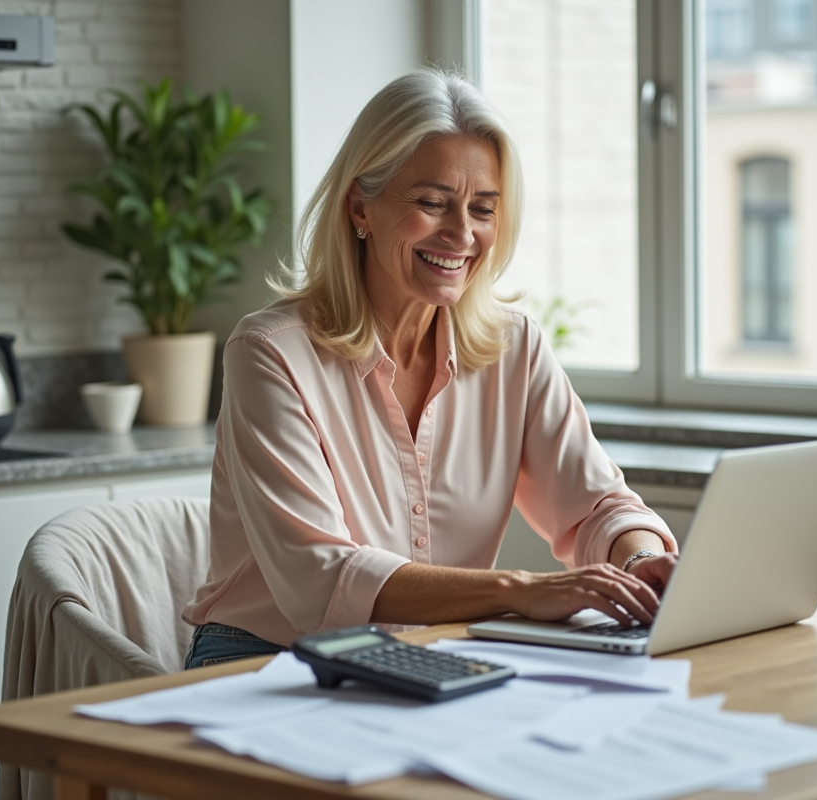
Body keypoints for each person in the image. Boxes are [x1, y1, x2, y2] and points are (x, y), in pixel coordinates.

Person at [183, 70, 678, 668]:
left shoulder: (512, 347)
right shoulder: (270, 352)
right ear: (359, 206)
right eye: (431, 203)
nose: (462, 234)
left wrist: (637, 561)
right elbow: (320, 578)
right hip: (265, 661)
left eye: (483, 208)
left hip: (431, 653)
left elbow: (600, 506)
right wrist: (520, 593)